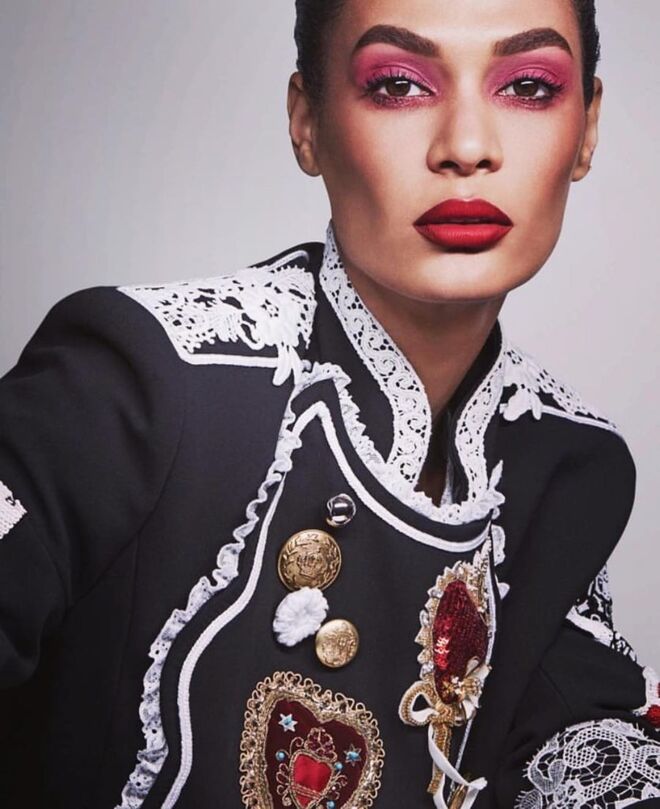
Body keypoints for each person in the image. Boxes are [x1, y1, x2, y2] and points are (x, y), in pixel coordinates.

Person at [0, 1, 658, 807]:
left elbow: (584, 739)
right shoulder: (145, 377)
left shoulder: (565, 463)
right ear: (306, 121)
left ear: (587, 129)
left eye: (527, 86)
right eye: (398, 84)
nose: (466, 147)